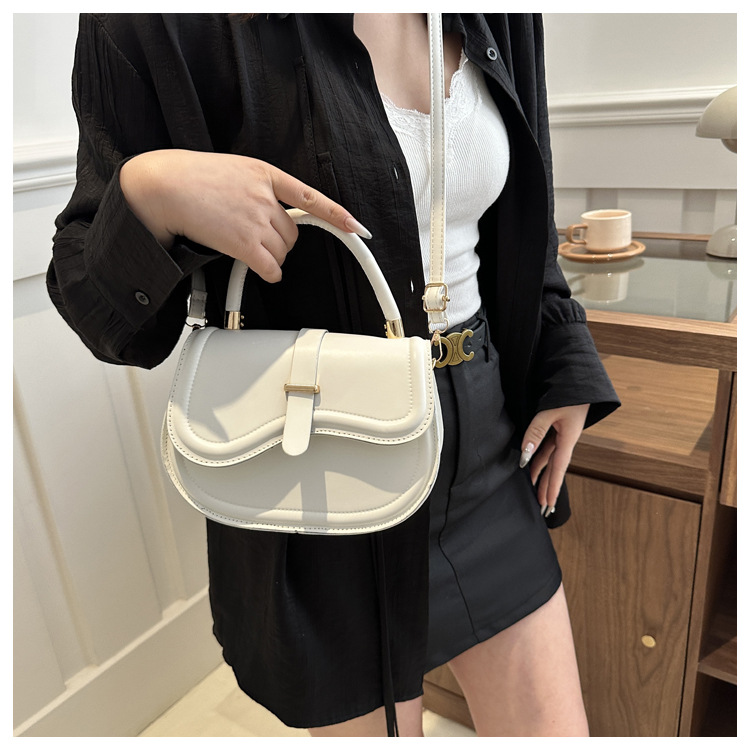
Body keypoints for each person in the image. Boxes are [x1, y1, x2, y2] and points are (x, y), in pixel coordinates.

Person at [48, 13, 620, 737]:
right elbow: (98, 309)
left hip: (487, 441)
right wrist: (151, 192)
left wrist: (564, 356)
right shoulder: (158, 21)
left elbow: (524, 212)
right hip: (316, 461)